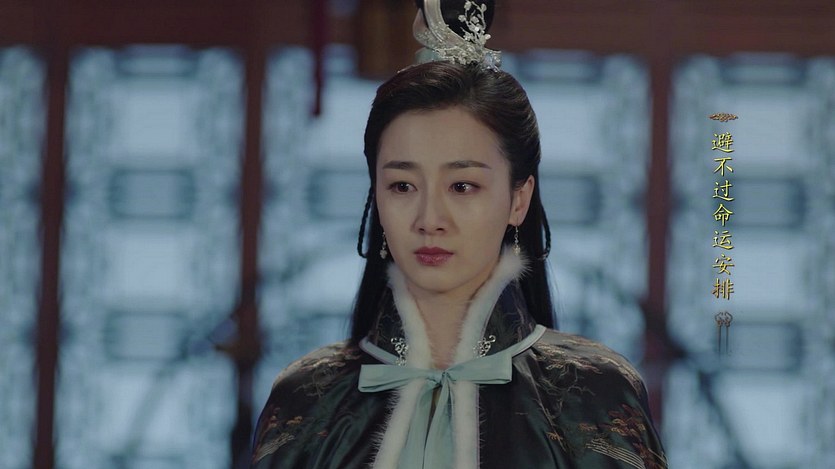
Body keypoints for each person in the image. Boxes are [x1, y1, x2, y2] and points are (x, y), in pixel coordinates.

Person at [251, 1, 667, 468]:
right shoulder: (309, 396)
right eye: (402, 186)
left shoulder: (591, 393)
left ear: (518, 199)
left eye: (462, 186)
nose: (430, 218)